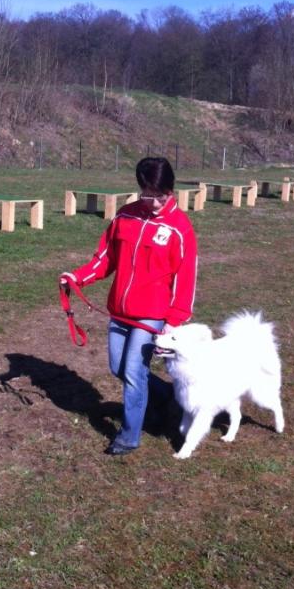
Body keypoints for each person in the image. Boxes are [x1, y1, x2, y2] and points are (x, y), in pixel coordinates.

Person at [59, 157, 198, 456]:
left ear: (170, 191)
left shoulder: (179, 228)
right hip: (119, 311)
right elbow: (105, 259)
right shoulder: (125, 217)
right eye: (148, 194)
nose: (155, 202)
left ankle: (130, 434)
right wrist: (77, 277)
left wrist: (175, 320)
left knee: (134, 372)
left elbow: (186, 279)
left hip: (152, 316)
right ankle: (165, 394)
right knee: (118, 367)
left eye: (161, 196)